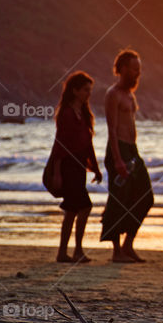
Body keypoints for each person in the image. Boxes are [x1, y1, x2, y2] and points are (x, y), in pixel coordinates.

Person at [100, 48, 153, 263]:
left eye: (139, 69)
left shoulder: (130, 94)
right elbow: (111, 129)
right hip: (118, 150)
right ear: (122, 69)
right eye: (134, 69)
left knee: (145, 196)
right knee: (118, 199)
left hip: (132, 150)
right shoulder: (112, 94)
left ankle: (128, 245)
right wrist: (117, 159)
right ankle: (116, 252)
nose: (137, 73)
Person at [50, 71, 102, 263]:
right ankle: (74, 251)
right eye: (86, 90)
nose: (89, 93)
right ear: (75, 90)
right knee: (83, 206)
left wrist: (95, 168)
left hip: (80, 166)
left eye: (90, 90)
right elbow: (59, 144)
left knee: (72, 210)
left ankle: (65, 252)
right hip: (68, 166)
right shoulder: (66, 113)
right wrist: (57, 173)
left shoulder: (85, 114)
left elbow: (88, 145)